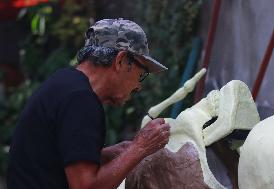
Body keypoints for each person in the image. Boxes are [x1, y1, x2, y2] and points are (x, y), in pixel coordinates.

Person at [7, 18, 171, 189]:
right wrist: (139, 148)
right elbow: (85, 186)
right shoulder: (81, 100)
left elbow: (53, 158)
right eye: (142, 74)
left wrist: (108, 155)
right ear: (121, 60)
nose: (139, 86)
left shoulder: (64, 83)